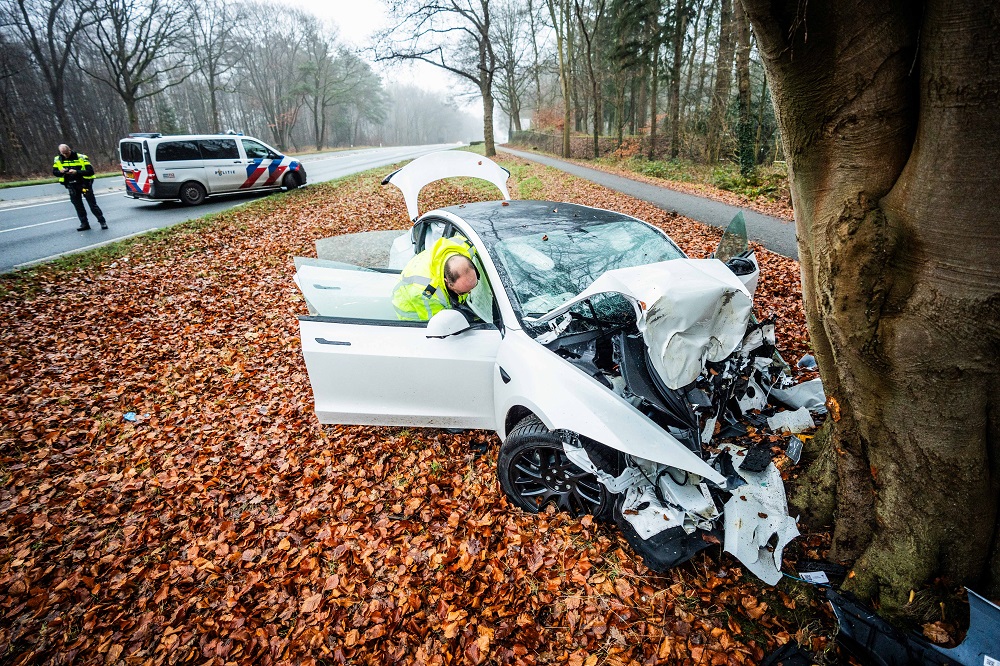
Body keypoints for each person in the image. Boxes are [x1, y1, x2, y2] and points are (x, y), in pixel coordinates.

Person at [392, 236, 479, 321]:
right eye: (462, 292)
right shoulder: (427, 295)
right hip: (413, 312)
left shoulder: (466, 247)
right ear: (447, 282)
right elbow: (440, 326)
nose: (470, 293)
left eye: (474, 285)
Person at [52, 143, 107, 231]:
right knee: (78, 206)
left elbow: (90, 171)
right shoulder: (58, 159)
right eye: (63, 153)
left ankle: (102, 222)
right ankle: (84, 224)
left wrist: (76, 172)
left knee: (92, 205)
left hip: (83, 184)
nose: (65, 155)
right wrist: (61, 172)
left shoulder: (81, 157)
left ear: (69, 149)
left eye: (66, 153)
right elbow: (55, 172)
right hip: (71, 185)